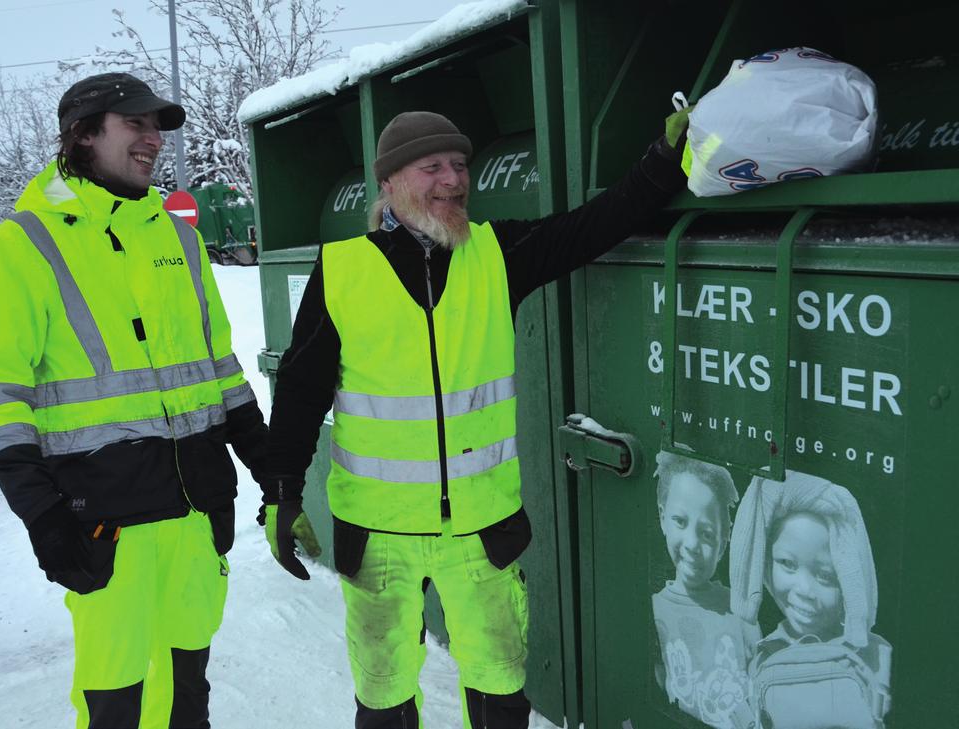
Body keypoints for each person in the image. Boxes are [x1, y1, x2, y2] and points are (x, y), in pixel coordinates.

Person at [261, 108, 690, 728]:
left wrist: (662, 164)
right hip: (379, 535)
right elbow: (300, 391)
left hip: (481, 531)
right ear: (389, 183)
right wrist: (282, 493)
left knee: (500, 688)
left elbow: (595, 225)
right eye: (431, 166)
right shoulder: (344, 270)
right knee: (383, 693)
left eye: (460, 166)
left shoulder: (497, 254)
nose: (452, 180)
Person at [0, 72, 274, 729]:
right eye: (137, 124)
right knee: (116, 700)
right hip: (104, 524)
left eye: (158, 126)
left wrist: (269, 466)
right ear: (83, 134)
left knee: (188, 691)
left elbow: (218, 367)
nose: (154, 139)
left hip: (195, 511)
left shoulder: (179, 239)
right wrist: (43, 515)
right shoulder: (23, 245)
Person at [729, 471, 892, 729]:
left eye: (826, 575)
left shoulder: (876, 654)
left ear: (849, 582)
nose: (804, 589)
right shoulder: (760, 650)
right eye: (787, 564)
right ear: (766, 565)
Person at [651, 451, 760, 729]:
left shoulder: (739, 612)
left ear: (723, 544)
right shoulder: (654, 608)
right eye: (680, 521)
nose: (691, 544)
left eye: (707, 533)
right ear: (663, 517)